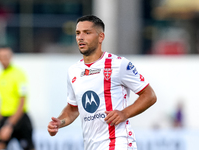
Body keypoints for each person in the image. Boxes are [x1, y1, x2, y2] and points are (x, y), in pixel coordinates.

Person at [47, 15, 157, 150]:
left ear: (101, 37)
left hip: (118, 142)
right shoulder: (73, 71)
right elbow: (73, 109)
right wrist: (60, 122)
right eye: (77, 33)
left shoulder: (119, 64)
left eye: (87, 33)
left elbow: (149, 95)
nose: (80, 37)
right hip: (91, 145)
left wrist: (124, 113)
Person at [0, 46, 35, 150]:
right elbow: (5, 101)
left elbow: (22, 103)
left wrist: (9, 125)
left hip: (19, 119)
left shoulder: (19, 74)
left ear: (11, 57)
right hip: (6, 117)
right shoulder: (2, 76)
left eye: (6, 56)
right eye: (1, 57)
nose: (3, 59)